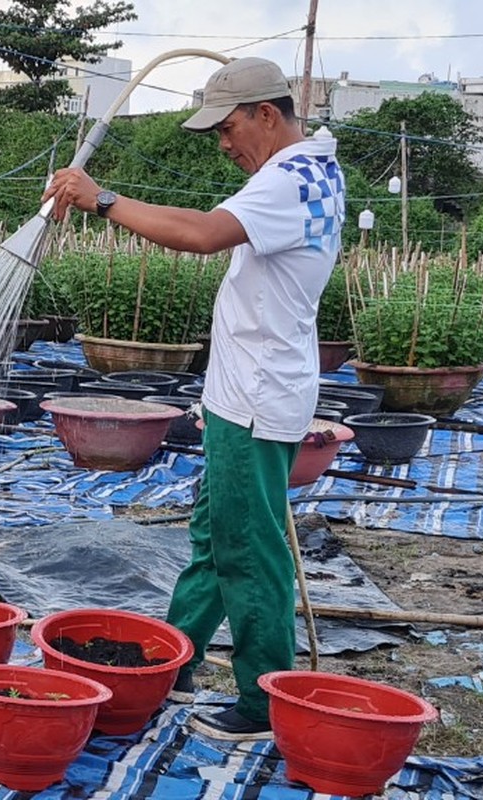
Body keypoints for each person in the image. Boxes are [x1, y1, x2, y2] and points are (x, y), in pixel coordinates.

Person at [43, 57, 344, 740]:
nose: (223, 142)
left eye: (229, 126)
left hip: (257, 397)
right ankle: (169, 663)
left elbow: (202, 236)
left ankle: (265, 702)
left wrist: (104, 200)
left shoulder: (291, 178)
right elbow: (214, 223)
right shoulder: (314, 170)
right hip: (253, 390)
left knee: (248, 547)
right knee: (217, 537)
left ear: (268, 114)